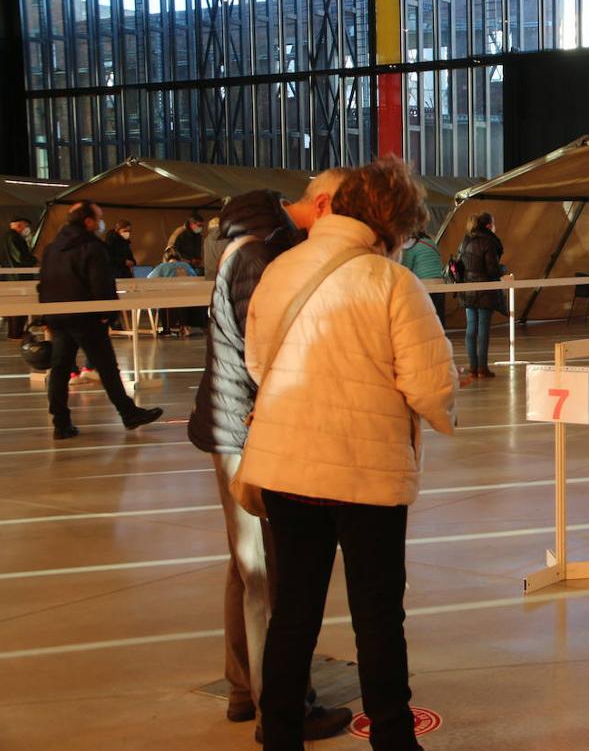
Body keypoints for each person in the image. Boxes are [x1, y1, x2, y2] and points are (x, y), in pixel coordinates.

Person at [238, 158, 456, 751]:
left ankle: (280, 735)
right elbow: (430, 388)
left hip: (286, 464)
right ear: (395, 220)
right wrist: (441, 415)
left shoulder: (280, 268)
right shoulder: (390, 282)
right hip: (368, 473)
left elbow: (258, 361)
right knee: (378, 614)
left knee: (294, 611)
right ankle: (392, 737)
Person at [186, 188, 349, 744]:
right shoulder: (257, 257)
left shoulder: (232, 252)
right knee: (267, 576)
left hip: (225, 426)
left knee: (245, 567)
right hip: (245, 432)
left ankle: (242, 688)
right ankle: (278, 707)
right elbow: (267, 352)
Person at [36, 201, 163, 440]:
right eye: (99, 217)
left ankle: (61, 423)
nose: (101, 222)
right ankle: (129, 414)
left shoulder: (53, 248)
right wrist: (108, 314)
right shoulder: (92, 247)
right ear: (88, 222)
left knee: (60, 369)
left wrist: (47, 317)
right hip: (87, 318)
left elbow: (44, 283)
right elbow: (102, 284)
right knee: (106, 367)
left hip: (58, 318)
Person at [458, 211, 505, 379]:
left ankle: (473, 367)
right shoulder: (489, 242)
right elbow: (492, 269)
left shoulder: (465, 240)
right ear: (489, 225)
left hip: (468, 291)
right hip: (485, 291)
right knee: (483, 329)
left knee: (471, 329)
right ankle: (482, 368)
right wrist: (503, 270)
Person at [399, 231, 447, 326]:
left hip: (425, 283)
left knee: (426, 315)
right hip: (440, 282)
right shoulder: (431, 242)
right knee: (439, 314)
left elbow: (405, 268)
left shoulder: (412, 246)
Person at [3, 216, 39, 339]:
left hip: (10, 277)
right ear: (19, 225)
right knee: (20, 305)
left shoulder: (6, 237)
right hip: (17, 278)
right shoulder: (14, 237)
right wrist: (34, 259)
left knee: (14, 305)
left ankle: (15, 331)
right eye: (26, 226)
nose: (27, 229)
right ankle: (16, 332)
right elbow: (20, 257)